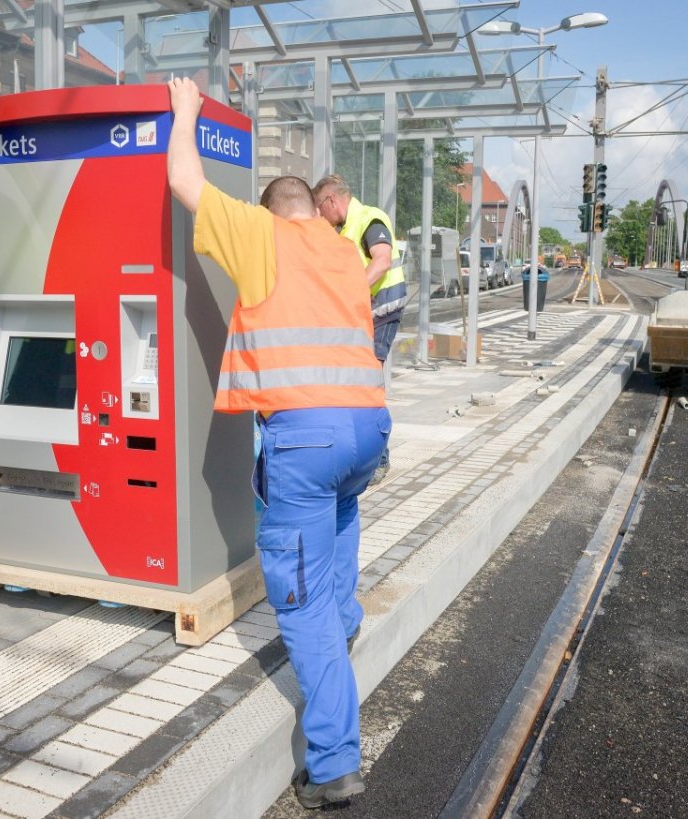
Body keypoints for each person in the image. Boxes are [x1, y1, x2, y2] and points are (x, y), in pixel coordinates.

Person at [166, 77, 390, 809]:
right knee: (341, 526)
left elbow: (184, 181)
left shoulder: (261, 233)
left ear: (268, 212)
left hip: (306, 438)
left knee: (301, 602)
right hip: (367, 429)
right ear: (312, 209)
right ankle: (346, 628)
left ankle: (334, 762)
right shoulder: (341, 249)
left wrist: (186, 112)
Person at [312, 174, 406, 485]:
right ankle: (364, 453)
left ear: (331, 200)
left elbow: (382, 261)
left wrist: (348, 293)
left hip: (383, 310)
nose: (320, 217)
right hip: (364, 314)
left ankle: (379, 458)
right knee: (356, 383)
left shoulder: (369, 219)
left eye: (320, 209)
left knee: (368, 384)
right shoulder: (346, 228)